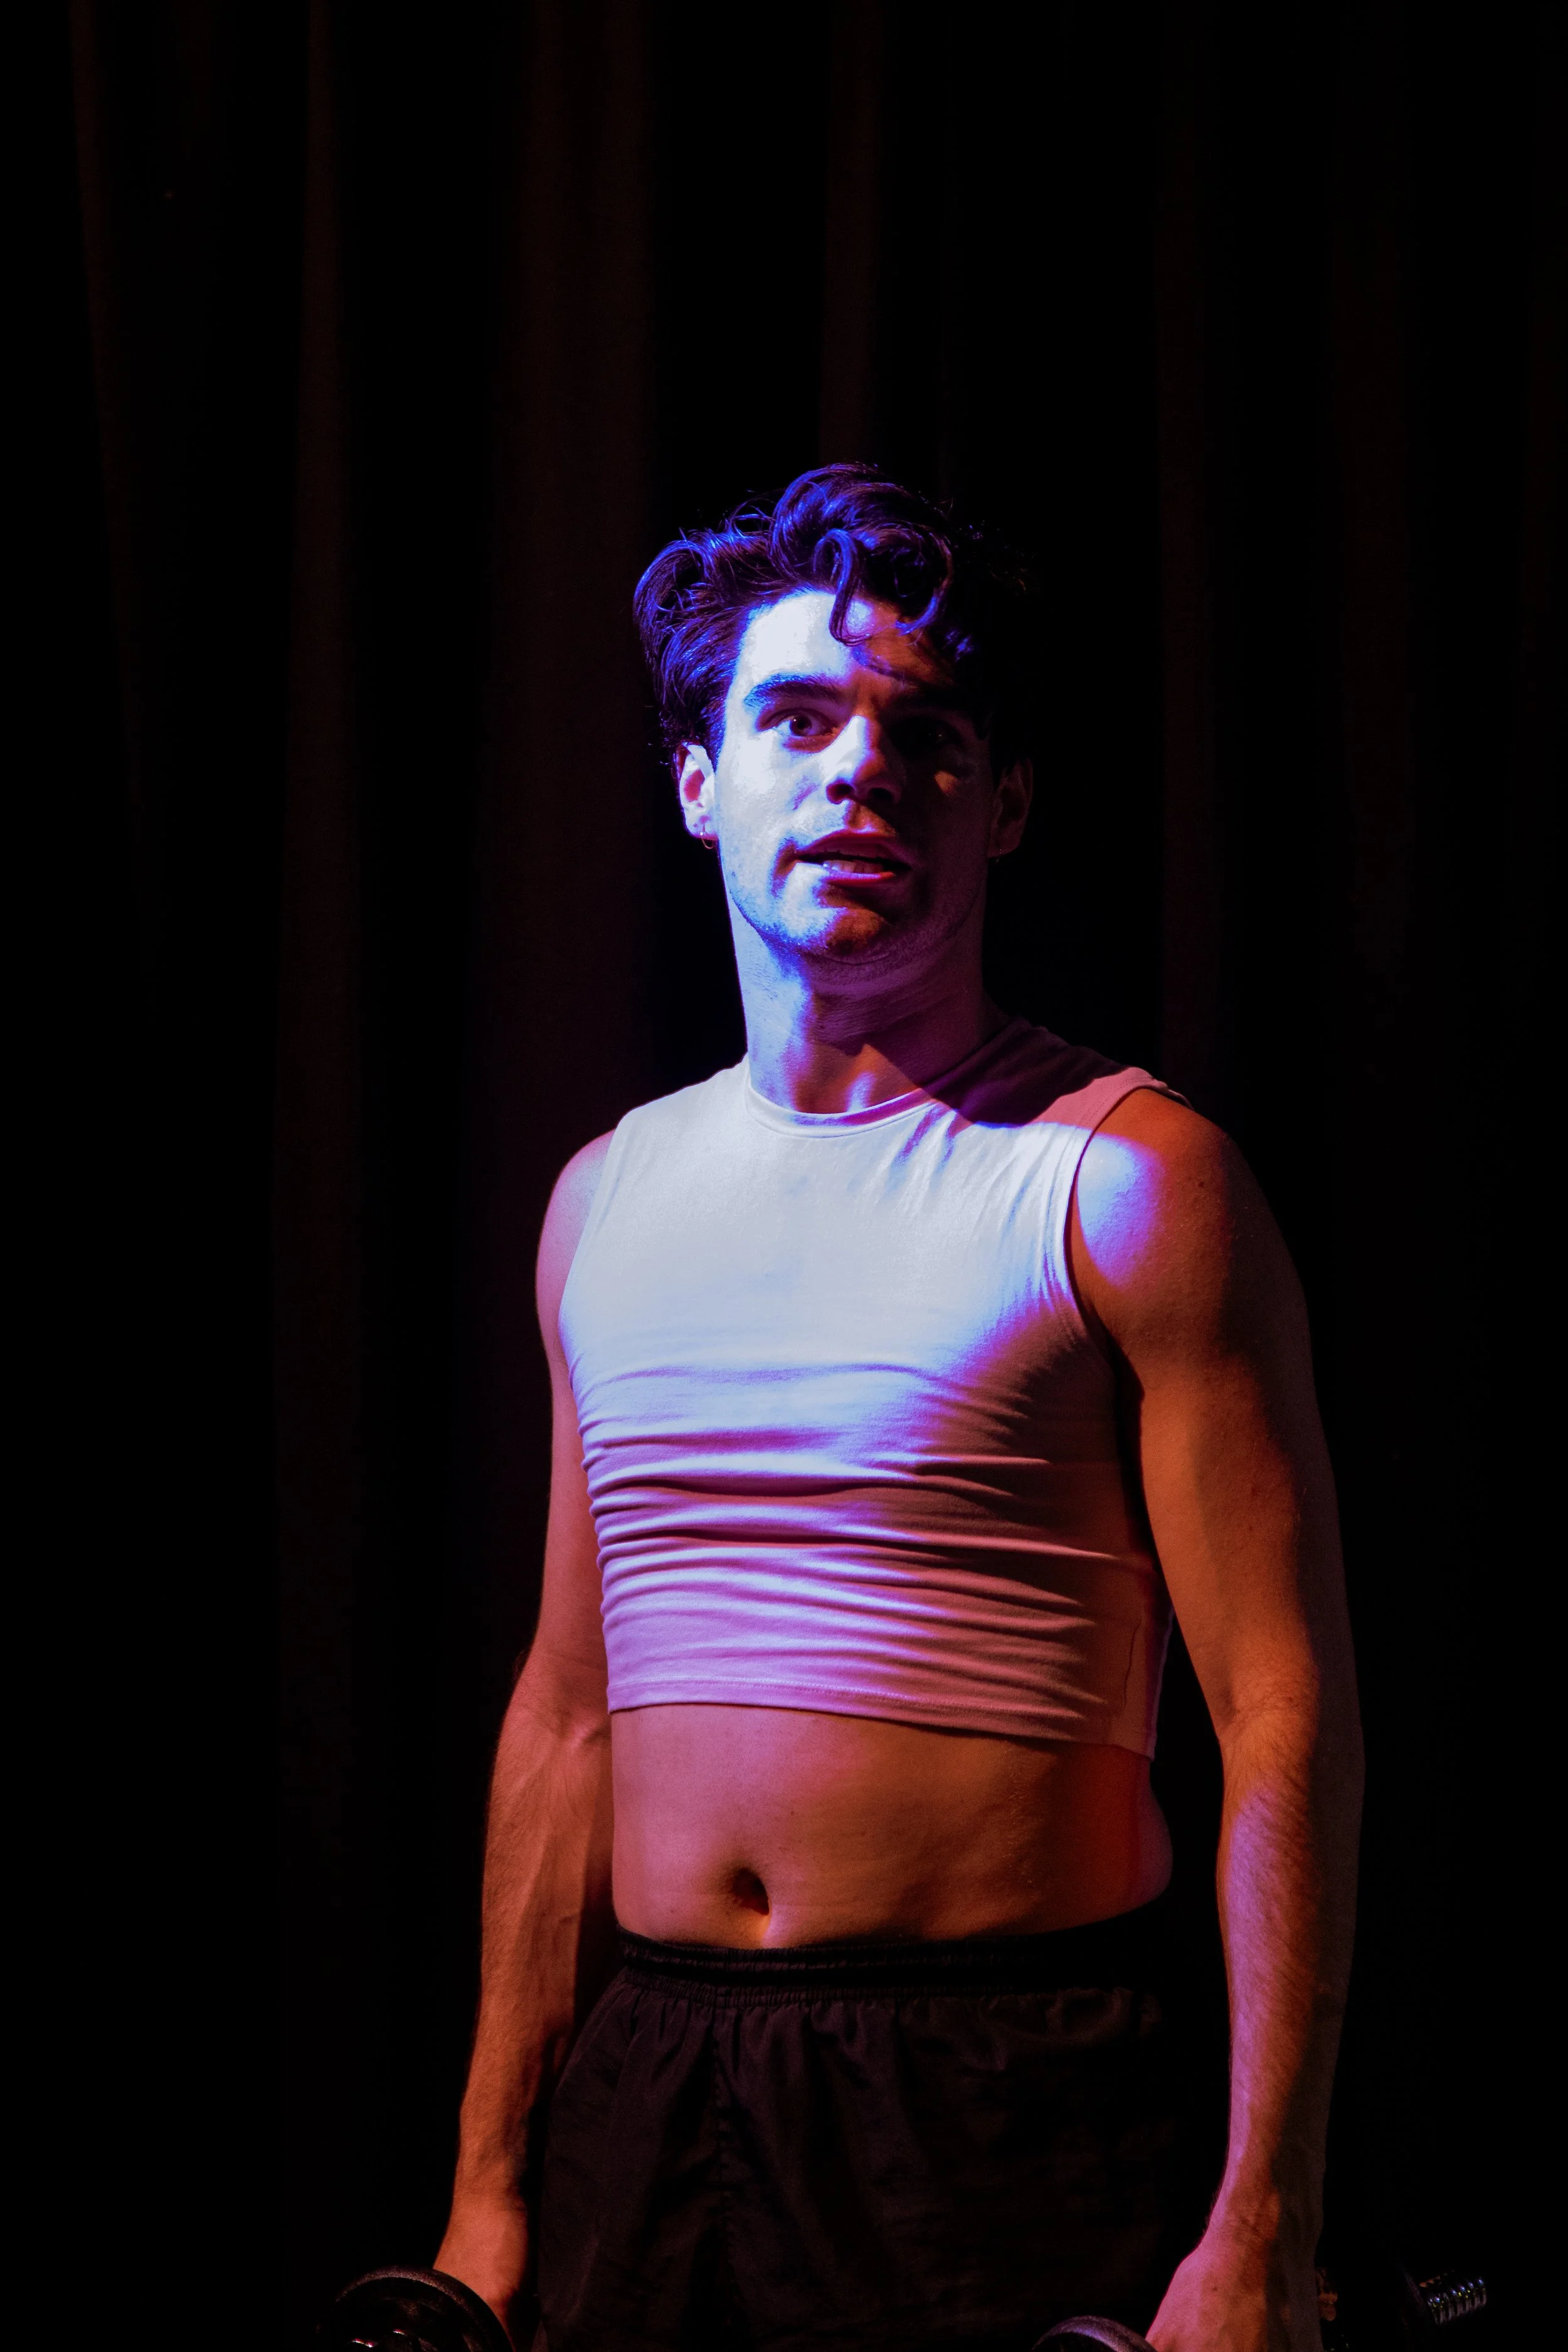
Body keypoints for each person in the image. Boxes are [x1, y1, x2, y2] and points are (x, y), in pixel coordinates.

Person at [435, 466, 1362, 2352]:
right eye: (794, 715)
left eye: (925, 738)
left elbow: (1280, 1715)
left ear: (999, 808)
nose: (859, 771)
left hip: (1000, 2096)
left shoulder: (1121, 1176)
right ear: (700, 784)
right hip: (657, 2085)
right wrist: (488, 2179)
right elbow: (565, 1710)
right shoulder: (603, 1196)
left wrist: (1259, 2213)